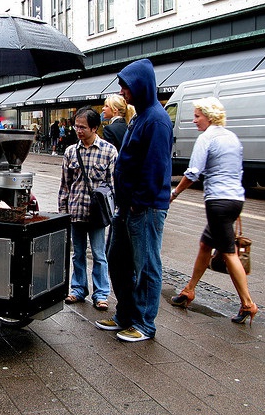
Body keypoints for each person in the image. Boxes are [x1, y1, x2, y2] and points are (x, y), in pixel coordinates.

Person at [95, 58, 173, 342]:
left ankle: (144, 324)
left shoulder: (156, 120)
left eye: (126, 87)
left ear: (140, 86)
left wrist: (138, 203)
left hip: (144, 207)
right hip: (127, 206)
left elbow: (155, 168)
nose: (122, 92)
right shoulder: (140, 116)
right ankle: (125, 314)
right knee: (117, 259)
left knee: (146, 265)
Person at [170, 97, 257, 325]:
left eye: (197, 116)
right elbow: (238, 171)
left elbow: (193, 172)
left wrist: (174, 193)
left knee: (228, 253)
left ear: (209, 116)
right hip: (235, 199)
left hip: (217, 201)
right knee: (205, 244)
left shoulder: (206, 138)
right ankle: (189, 290)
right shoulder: (232, 137)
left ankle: (248, 303)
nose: (194, 120)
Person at [58, 107, 117, 310]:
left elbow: (112, 186)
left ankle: (101, 294)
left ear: (94, 127)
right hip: (76, 211)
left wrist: (112, 211)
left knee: (99, 254)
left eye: (83, 127)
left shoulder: (108, 151)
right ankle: (78, 289)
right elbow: (65, 186)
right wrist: (63, 212)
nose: (78, 130)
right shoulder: (70, 152)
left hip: (97, 214)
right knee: (78, 253)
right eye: (76, 126)